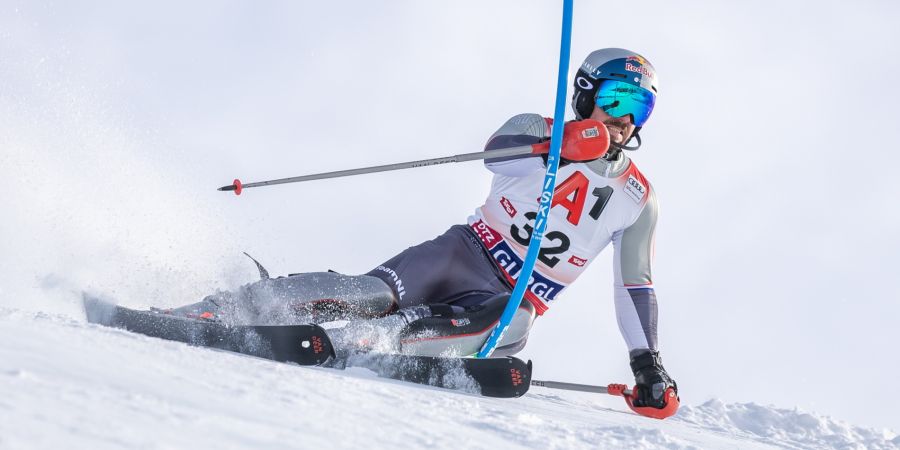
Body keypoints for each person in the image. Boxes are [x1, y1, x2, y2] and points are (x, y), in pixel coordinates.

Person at [168, 48, 677, 413]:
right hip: (461, 254)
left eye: (639, 109)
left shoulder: (637, 198)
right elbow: (496, 154)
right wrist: (563, 147)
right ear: (585, 95)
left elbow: (635, 285)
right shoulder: (539, 129)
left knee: (512, 323)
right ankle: (225, 306)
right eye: (616, 100)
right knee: (369, 294)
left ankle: (364, 344)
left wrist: (647, 364)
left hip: (512, 296)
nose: (625, 120)